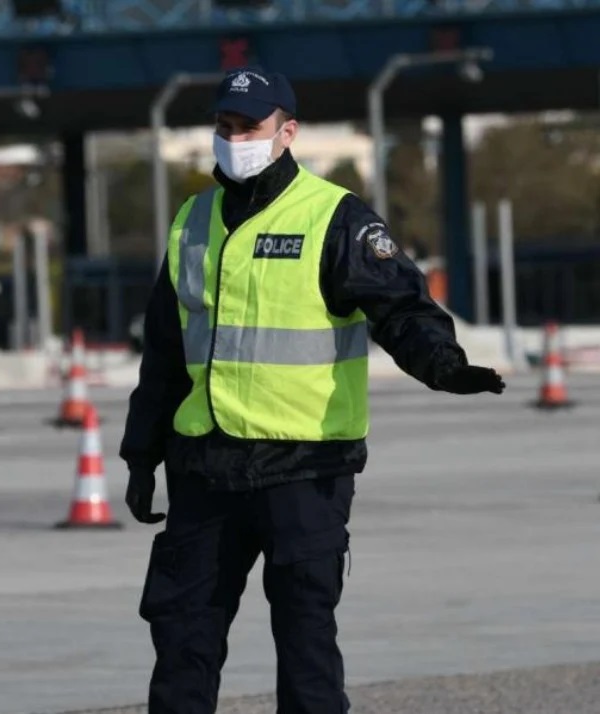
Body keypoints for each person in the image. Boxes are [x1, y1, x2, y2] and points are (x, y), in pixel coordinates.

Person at [119, 66, 505, 714]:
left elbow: (400, 308)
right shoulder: (192, 220)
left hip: (304, 471)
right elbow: (164, 351)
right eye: (225, 126)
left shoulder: (335, 218)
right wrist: (141, 452)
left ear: (287, 131)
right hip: (206, 469)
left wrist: (442, 364)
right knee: (182, 640)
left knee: (305, 649)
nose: (234, 137)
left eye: (250, 126)